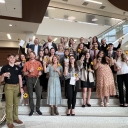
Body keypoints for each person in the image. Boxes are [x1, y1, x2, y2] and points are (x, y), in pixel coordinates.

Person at [0, 53, 23, 128]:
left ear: (15, 59)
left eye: (13, 58)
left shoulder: (17, 67)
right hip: (8, 87)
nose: (12, 59)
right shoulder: (4, 67)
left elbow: (20, 78)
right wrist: (3, 75)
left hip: (17, 87)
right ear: (8, 59)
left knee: (16, 103)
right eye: (10, 58)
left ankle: (15, 118)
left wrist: (21, 88)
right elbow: (1, 80)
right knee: (9, 105)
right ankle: (9, 121)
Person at [23, 51, 43, 116]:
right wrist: (29, 71)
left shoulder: (38, 63)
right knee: (30, 95)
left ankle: (37, 109)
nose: (31, 56)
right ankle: (32, 109)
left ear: (35, 55)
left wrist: (40, 73)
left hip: (36, 79)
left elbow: (41, 71)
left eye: (32, 54)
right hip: (29, 79)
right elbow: (24, 73)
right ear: (29, 56)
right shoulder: (26, 63)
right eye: (30, 55)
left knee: (39, 95)